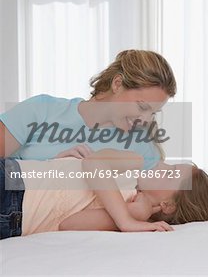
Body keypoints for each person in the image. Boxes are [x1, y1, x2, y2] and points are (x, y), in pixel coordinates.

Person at [0, 50, 179, 233]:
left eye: (153, 113)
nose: (146, 120)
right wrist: (53, 164)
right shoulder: (41, 109)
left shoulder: (143, 149)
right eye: (142, 107)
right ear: (117, 84)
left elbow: (168, 200)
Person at [0, 149, 208, 240]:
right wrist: (126, 220)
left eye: (170, 173)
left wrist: (132, 215)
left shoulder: (133, 212)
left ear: (167, 205)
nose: (162, 166)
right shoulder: (135, 162)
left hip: (14, 218)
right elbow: (93, 162)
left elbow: (70, 224)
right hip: (15, 180)